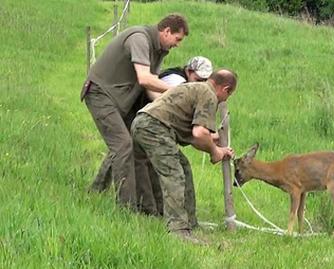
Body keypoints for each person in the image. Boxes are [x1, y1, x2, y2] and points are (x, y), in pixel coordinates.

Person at [81, 13, 189, 209]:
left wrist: (164, 110)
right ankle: (126, 207)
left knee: (125, 143)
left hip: (120, 100)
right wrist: (179, 92)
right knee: (123, 145)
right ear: (166, 31)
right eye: (177, 39)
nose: (178, 44)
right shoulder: (140, 38)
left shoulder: (159, 50)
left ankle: (96, 190)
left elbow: (150, 88)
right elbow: (145, 79)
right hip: (100, 93)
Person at [87, 56, 213, 217]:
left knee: (124, 153)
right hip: (143, 120)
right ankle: (142, 208)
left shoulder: (187, 82)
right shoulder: (175, 80)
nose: (200, 84)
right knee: (131, 156)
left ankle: (101, 191)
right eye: (198, 79)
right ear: (189, 71)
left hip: (144, 120)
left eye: (204, 80)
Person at [130, 69, 237, 243]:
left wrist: (213, 143)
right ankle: (178, 230)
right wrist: (215, 151)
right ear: (225, 89)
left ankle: (190, 222)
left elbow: (197, 137)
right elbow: (199, 133)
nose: (225, 99)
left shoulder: (197, 88)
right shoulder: (209, 95)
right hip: (154, 127)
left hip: (145, 123)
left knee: (183, 167)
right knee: (174, 174)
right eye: (228, 95)